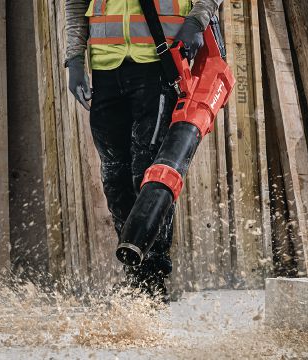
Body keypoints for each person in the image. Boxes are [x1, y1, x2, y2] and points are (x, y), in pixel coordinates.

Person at [65, 0, 223, 300]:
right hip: (106, 68)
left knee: (149, 175)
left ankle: (151, 282)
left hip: (158, 63)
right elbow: (76, 3)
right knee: (115, 180)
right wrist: (74, 58)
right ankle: (136, 274)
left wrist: (197, 21)